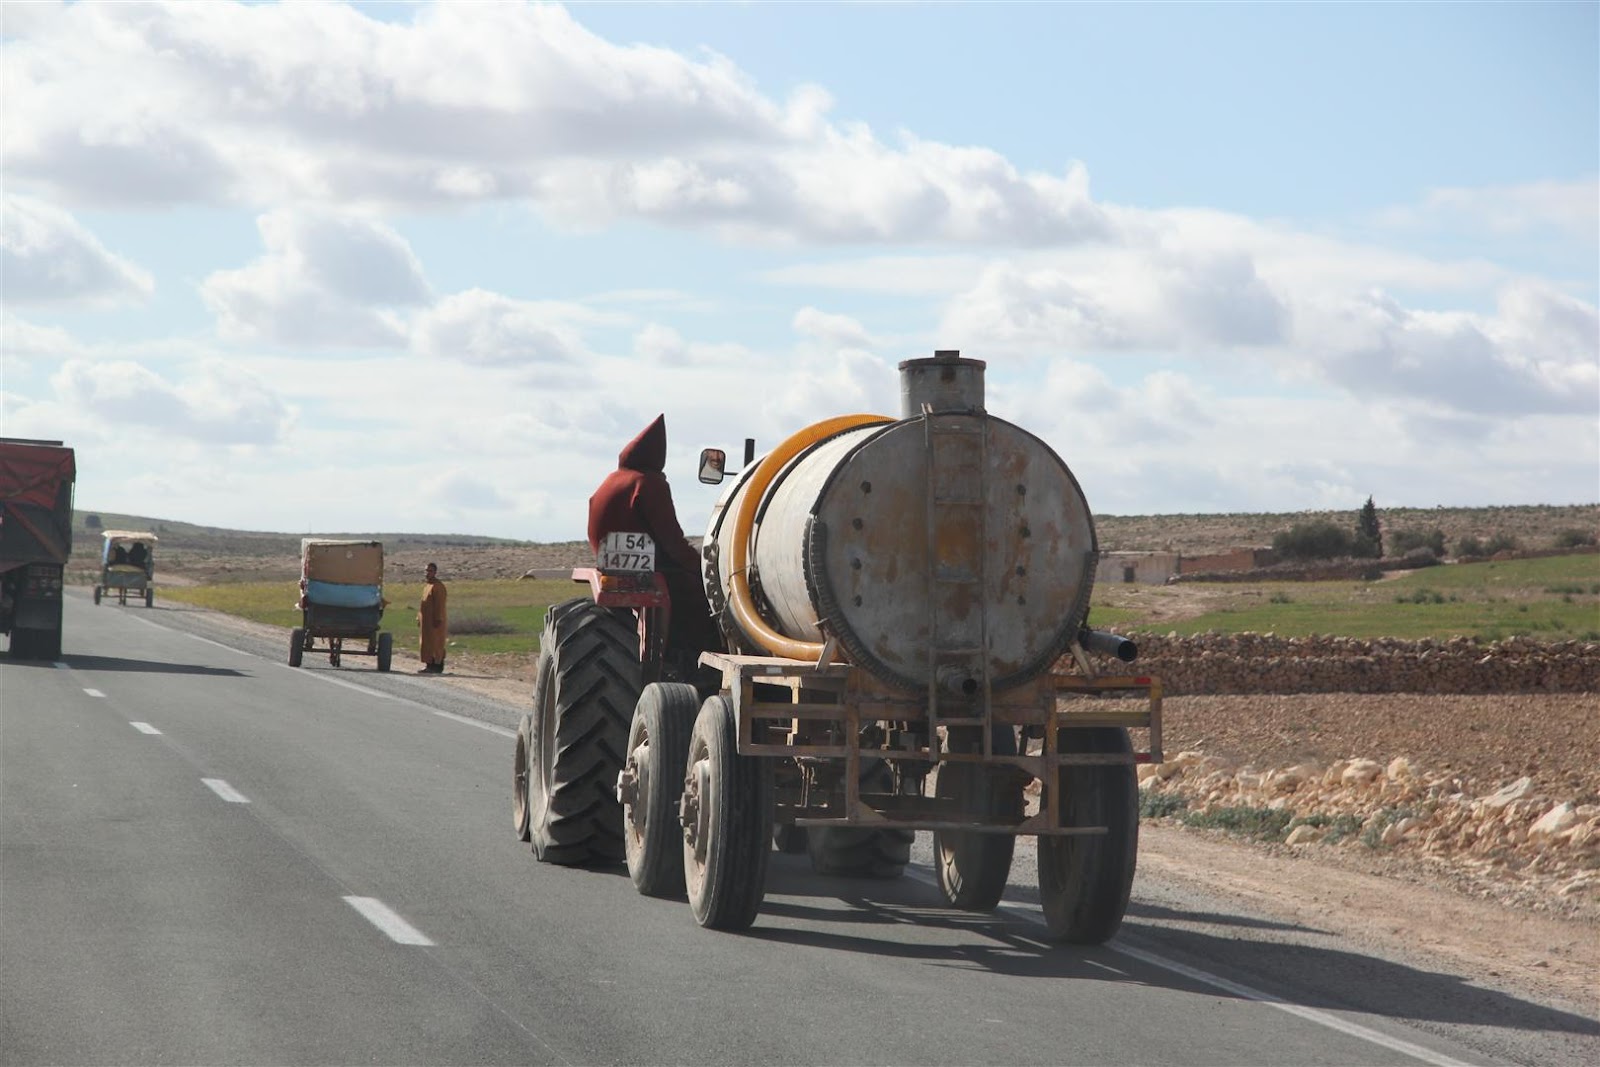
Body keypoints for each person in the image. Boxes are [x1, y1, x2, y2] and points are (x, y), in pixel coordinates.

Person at [588, 414, 723, 672]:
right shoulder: (648, 483)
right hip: (657, 566)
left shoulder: (611, 481)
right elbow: (670, 537)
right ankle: (692, 662)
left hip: (611, 564)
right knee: (704, 599)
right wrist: (699, 567)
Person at [416, 562, 448, 673]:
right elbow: (423, 604)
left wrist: (438, 619)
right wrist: (419, 617)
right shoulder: (427, 586)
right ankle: (429, 665)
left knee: (436, 644)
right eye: (426, 571)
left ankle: (437, 666)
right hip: (426, 623)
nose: (427, 573)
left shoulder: (438, 587)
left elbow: (440, 604)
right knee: (426, 643)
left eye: (430, 571)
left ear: (435, 572)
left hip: (435, 622)